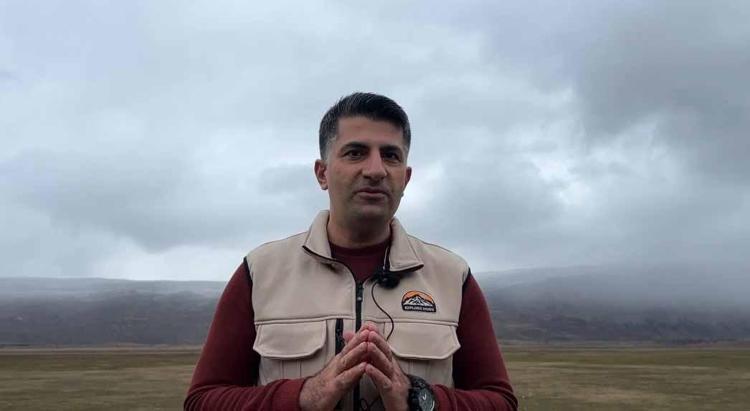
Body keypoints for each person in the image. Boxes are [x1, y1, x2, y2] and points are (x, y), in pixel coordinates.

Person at [184, 92, 517, 411]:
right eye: (356, 153)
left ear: (406, 178)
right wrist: (303, 397)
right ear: (322, 173)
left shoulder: (451, 277)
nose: (376, 170)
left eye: (391, 155)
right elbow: (203, 400)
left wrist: (418, 400)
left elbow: (500, 401)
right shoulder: (261, 272)